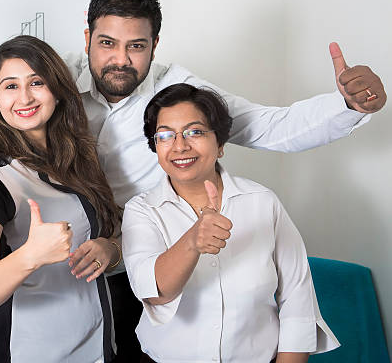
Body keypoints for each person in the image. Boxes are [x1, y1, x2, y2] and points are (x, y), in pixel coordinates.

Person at [0, 0, 386, 361]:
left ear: (155, 47)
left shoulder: (181, 93)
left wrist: (347, 106)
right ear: (87, 40)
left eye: (136, 46)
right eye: (106, 43)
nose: (119, 59)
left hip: (144, 269)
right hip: (49, 278)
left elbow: (267, 126)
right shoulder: (52, 81)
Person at [121, 83, 340, 363]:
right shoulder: (141, 210)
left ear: (221, 144)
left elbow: (298, 300)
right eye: (165, 136)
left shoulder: (262, 202)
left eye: (195, 132)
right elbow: (155, 293)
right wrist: (193, 240)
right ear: (155, 147)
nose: (180, 146)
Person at [0, 35, 123, 363]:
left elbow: (111, 233)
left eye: (37, 82)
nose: (25, 97)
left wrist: (110, 249)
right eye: (10, 86)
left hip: (99, 348)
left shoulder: (79, 160)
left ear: (57, 90)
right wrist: (31, 255)